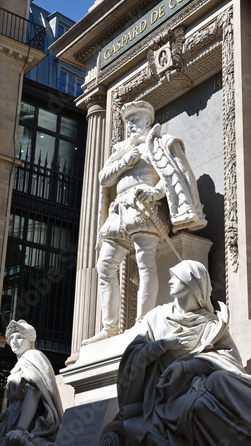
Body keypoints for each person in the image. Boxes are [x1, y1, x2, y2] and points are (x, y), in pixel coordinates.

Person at [102, 260, 251, 445]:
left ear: (192, 285)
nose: (170, 280)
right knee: (202, 401)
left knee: (221, 378)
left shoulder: (212, 324)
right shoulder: (156, 318)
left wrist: (187, 365)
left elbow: (230, 363)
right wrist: (163, 345)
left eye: (176, 277)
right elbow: (132, 361)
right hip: (166, 398)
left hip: (205, 383)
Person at [83, 101, 207, 344]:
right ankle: (109, 328)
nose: (130, 125)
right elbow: (104, 179)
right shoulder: (121, 150)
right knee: (105, 267)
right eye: (128, 121)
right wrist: (126, 162)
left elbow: (174, 175)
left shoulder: (160, 143)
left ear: (148, 121)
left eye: (135, 120)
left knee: (145, 262)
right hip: (118, 210)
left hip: (145, 208)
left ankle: (143, 320)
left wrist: (154, 193)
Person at [0, 320, 63, 445]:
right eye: (11, 337)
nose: (14, 341)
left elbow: (33, 393)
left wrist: (20, 429)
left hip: (25, 423)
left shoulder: (32, 356)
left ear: (30, 341)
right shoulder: (19, 363)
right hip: (12, 420)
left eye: (20, 337)